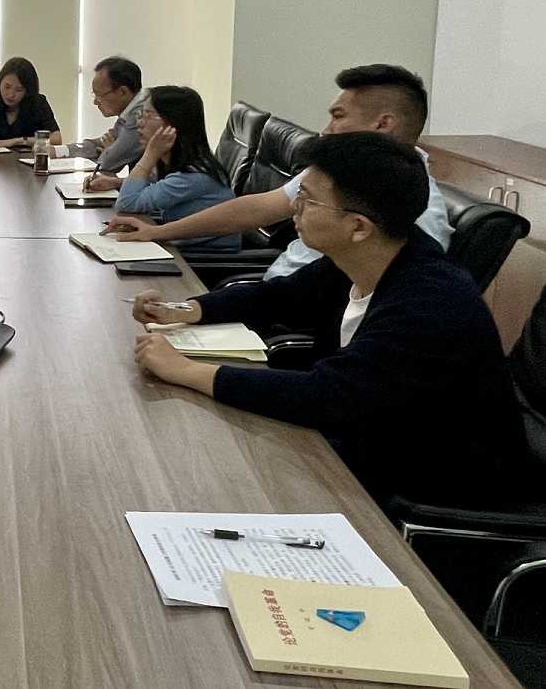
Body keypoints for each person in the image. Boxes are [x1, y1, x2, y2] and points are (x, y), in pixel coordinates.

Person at [130, 133, 525, 506]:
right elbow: (279, 296)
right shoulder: (369, 257)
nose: (294, 208)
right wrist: (186, 310)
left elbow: (328, 395)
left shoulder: (428, 302)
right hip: (362, 440)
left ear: (358, 227)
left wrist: (185, 370)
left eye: (307, 199)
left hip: (433, 481)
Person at [110, 64, 452, 279]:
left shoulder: (415, 214)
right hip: (273, 294)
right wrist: (159, 232)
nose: (326, 130)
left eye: (338, 116)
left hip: (293, 329)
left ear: (383, 124)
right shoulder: (338, 173)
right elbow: (252, 209)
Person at [113, 86, 238, 251]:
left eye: (148, 115)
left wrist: (149, 155)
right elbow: (150, 187)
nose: (139, 123)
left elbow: (126, 204)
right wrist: (114, 182)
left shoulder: (193, 176)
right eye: (140, 114)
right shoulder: (186, 164)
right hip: (184, 250)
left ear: (173, 123)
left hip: (203, 260)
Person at [68, 55, 150, 189]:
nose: (95, 102)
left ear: (123, 92)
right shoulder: (129, 111)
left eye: (99, 95)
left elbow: (108, 164)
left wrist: (109, 149)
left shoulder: (139, 114)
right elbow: (100, 143)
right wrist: (59, 151)